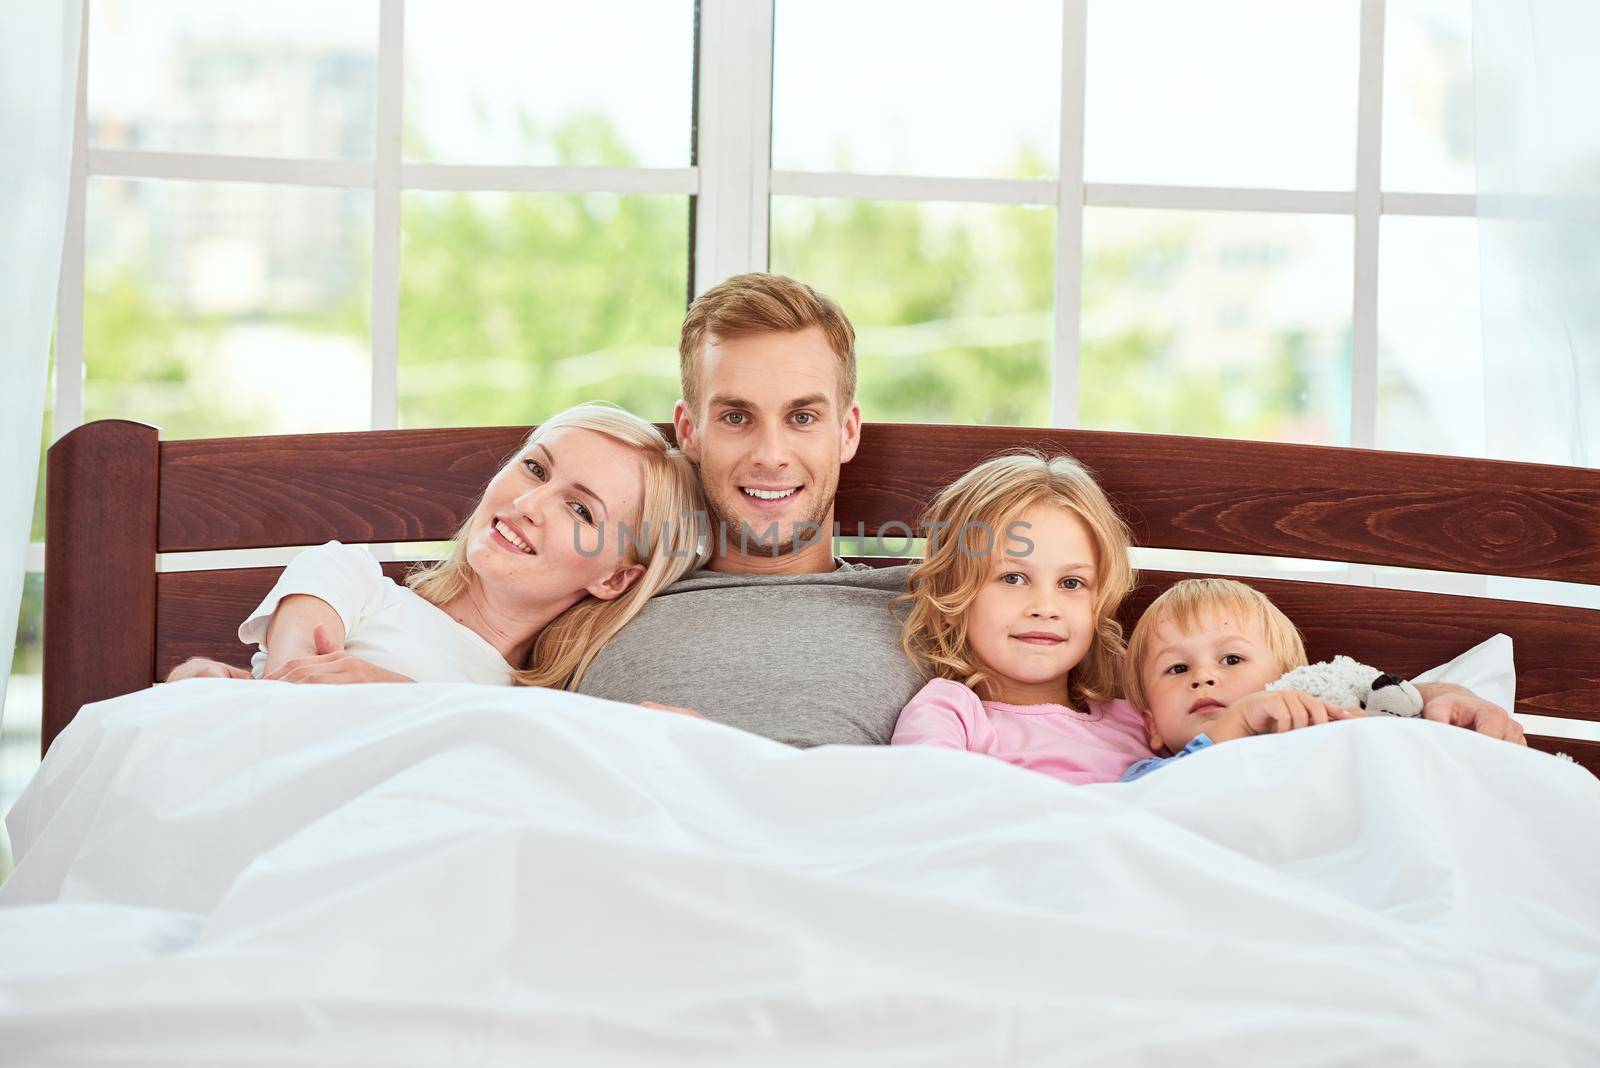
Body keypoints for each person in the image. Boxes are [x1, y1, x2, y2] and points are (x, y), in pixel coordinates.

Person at [577, 272, 1526, 750]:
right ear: (688, 429)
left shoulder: (953, 606)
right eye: (737, 416)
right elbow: (465, 679)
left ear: (850, 430)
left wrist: (1426, 704)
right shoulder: (608, 596)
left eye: (804, 416)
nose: (772, 453)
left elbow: (1209, 697)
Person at [166, 403, 707, 690]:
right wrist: (207, 685)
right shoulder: (348, 578)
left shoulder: (531, 714)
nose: (531, 504)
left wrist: (400, 698)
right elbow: (291, 694)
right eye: (535, 468)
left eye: (581, 510)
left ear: (614, 579)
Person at [886, 452, 1156, 784]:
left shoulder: (1141, 722)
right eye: (1013, 578)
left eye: (1071, 583)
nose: (1045, 607)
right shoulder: (952, 713)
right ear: (953, 597)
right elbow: (924, 801)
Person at [1119, 578, 1364, 782]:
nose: (1202, 677)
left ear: (1290, 681)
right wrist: (1238, 722)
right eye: (1178, 668)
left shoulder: (1318, 741)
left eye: (1232, 660)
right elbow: (1156, 806)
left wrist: (1367, 731)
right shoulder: (1147, 777)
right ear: (1152, 725)